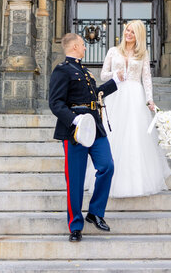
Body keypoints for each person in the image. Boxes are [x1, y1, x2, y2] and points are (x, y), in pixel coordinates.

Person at [85, 20, 171, 197]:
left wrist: (150, 100)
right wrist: (115, 75)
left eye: (132, 32)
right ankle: (109, 180)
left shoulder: (142, 54)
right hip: (116, 95)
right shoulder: (113, 51)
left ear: (138, 35)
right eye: (127, 30)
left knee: (134, 137)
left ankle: (134, 183)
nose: (128, 34)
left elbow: (146, 78)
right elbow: (103, 74)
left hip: (134, 95)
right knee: (114, 134)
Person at [49, 32, 120, 243]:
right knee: (76, 179)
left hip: (95, 127)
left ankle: (95, 212)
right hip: (75, 132)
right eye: (82, 45)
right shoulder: (62, 71)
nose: (85, 48)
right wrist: (74, 120)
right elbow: (55, 103)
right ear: (73, 47)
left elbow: (94, 95)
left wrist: (115, 82)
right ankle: (76, 225)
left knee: (107, 166)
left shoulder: (85, 72)